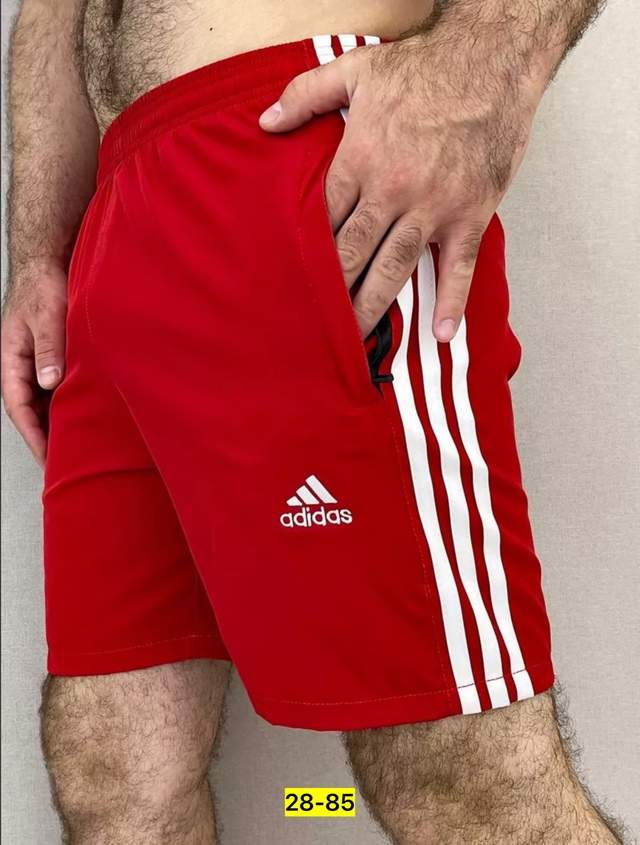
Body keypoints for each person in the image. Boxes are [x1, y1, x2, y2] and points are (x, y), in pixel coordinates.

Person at [1, 0, 630, 843]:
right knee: (114, 774)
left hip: (297, 155)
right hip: (110, 229)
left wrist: (479, 68)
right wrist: (37, 251)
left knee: (462, 779)